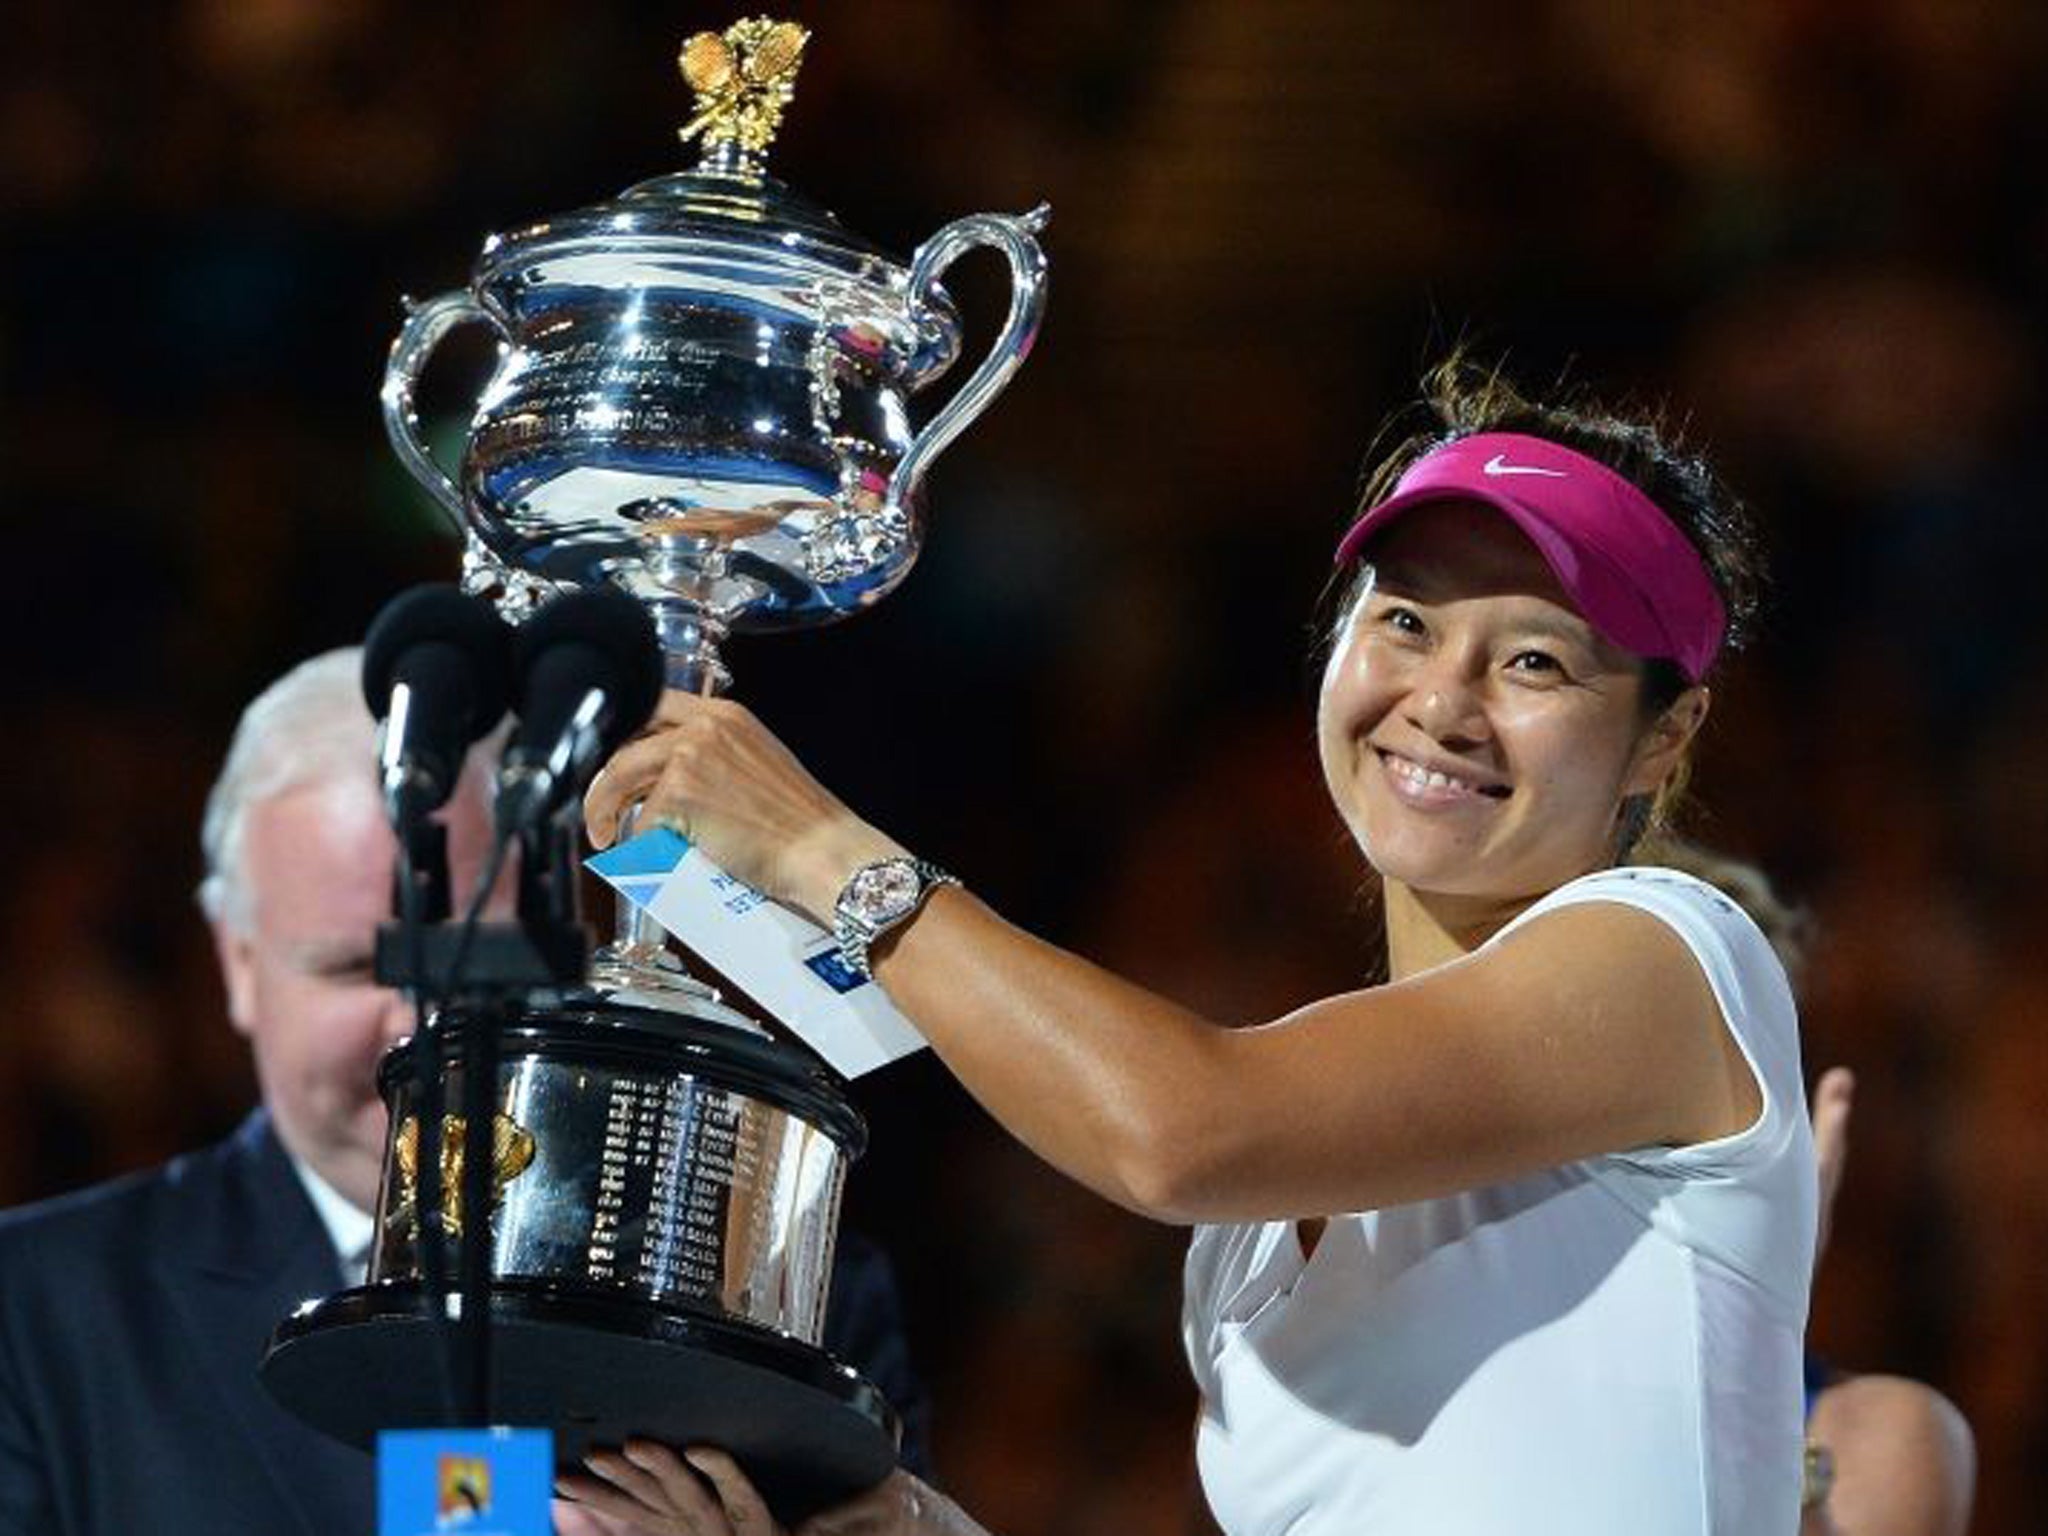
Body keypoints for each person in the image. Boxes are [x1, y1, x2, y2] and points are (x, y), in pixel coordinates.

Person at [561, 358, 1816, 1534]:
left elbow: (1177, 1133)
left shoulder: (1669, 953)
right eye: (1405, 624)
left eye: (1533, 661)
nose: (1439, 703)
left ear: (1663, 737)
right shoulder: (1251, 1236)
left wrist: (818, 849)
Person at [0, 648, 929, 1536]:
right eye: (354, 964)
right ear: (236, 965)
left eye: (469, 952)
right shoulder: (40, 1310)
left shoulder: (802, 1313)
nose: (417, 1022)